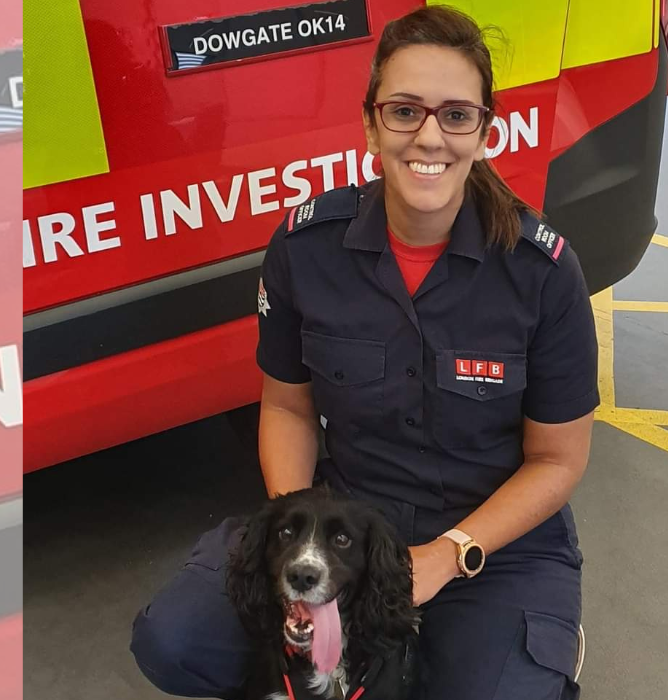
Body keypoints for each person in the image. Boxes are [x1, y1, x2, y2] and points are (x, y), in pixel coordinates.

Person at [131, 6, 598, 699]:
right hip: (348, 524)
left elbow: (558, 460)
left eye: (456, 115)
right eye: (405, 110)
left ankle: (515, 645)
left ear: (485, 132)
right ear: (371, 123)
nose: (429, 136)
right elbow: (287, 407)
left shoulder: (541, 272)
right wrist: (301, 544)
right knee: (174, 644)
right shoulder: (305, 248)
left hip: (489, 548)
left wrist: (448, 554)